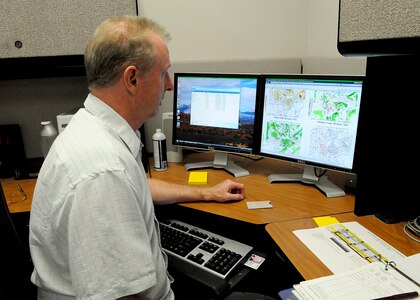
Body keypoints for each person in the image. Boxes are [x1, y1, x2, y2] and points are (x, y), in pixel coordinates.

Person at [29, 15, 245, 300]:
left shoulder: (94, 130)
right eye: (162, 73)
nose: (169, 85)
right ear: (132, 78)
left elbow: (136, 186)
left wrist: (205, 192)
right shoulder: (104, 171)